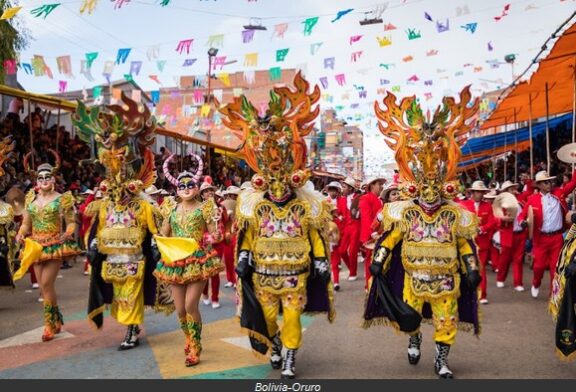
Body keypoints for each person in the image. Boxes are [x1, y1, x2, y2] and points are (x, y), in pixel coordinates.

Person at [218, 71, 335, 379]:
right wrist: (243, 257)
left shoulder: (303, 206)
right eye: (273, 182)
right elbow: (247, 236)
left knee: (293, 317)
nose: (279, 188)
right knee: (268, 320)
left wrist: (321, 260)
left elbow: (315, 235)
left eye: (283, 182)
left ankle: (290, 358)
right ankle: (275, 344)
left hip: (296, 273)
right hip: (264, 274)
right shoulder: (255, 205)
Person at [364, 87, 481, 379]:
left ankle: (441, 359)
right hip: (413, 279)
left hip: (446, 280)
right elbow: (391, 238)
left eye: (434, 191)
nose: (429, 197)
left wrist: (471, 266)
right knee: (410, 315)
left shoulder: (454, 214)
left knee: (446, 319)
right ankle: (414, 339)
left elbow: (464, 243)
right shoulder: (407, 212)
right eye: (424, 190)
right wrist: (379, 258)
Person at [73, 95, 173, 350]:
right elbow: (98, 227)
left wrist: (154, 249)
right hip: (112, 260)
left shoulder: (142, 206)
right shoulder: (105, 205)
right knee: (119, 297)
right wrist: (93, 245)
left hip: (135, 260)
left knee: (131, 294)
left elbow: (154, 231)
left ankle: (131, 330)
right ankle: (131, 325)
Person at [154, 153, 224, 366]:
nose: (186, 187)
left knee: (191, 304)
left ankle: (195, 345)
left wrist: (215, 234)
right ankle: (188, 337)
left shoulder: (205, 208)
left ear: (197, 186)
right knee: (180, 309)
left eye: (190, 184)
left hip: (198, 259)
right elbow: (163, 233)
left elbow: (214, 234)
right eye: (181, 185)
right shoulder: (171, 209)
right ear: (176, 189)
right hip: (176, 261)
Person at [14, 150, 81, 342]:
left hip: (54, 246)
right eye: (41, 177)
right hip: (35, 247)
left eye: (47, 176)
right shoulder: (30, 200)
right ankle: (56, 320)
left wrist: (67, 233)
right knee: (43, 289)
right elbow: (26, 224)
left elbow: (71, 222)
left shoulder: (62, 198)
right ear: (36, 180)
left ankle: (49, 325)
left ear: (53, 179)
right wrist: (20, 233)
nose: (44, 180)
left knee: (45, 283)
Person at [518, 170, 576, 298]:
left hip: (557, 238)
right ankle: (536, 283)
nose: (549, 184)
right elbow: (522, 215)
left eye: (550, 181)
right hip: (540, 239)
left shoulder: (559, 193)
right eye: (545, 182)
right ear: (538, 185)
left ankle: (554, 295)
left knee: (555, 268)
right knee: (538, 267)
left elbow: (573, 184)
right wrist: (522, 221)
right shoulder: (532, 199)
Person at [459, 181, 497, 304]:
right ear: (472, 192)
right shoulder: (463, 205)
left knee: (481, 269)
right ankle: (466, 294)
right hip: (467, 243)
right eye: (478, 192)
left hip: (482, 243)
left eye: (482, 192)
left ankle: (483, 295)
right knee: (465, 268)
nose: (480, 194)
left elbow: (492, 222)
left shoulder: (488, 206)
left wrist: (482, 229)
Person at [495, 181, 530, 291]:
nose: (512, 190)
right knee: (504, 259)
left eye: (513, 188)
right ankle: (500, 278)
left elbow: (529, 191)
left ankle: (518, 283)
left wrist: (527, 181)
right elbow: (496, 218)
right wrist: (503, 219)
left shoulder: (521, 198)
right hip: (507, 234)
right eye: (509, 189)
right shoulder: (500, 203)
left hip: (520, 234)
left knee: (518, 260)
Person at [198, 178, 224, 309]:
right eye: (206, 191)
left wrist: (226, 232)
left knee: (215, 272)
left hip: (218, 243)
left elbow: (226, 222)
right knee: (204, 273)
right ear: (202, 195)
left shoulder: (220, 207)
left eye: (211, 191)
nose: (209, 193)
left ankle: (215, 297)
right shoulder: (198, 209)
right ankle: (205, 294)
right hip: (204, 244)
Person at [359, 177, 385, 289]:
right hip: (371, 235)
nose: (381, 187)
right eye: (379, 184)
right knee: (370, 262)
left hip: (379, 234)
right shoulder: (365, 198)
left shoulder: (379, 199)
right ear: (372, 185)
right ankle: (369, 286)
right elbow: (366, 218)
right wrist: (373, 232)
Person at [336, 177, 361, 281]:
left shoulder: (358, 197)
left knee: (353, 251)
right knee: (342, 251)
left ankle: (353, 273)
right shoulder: (341, 200)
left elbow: (362, 212)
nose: (343, 189)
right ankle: (351, 267)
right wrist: (338, 216)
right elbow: (339, 212)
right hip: (346, 227)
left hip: (356, 226)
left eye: (345, 187)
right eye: (342, 186)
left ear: (350, 188)